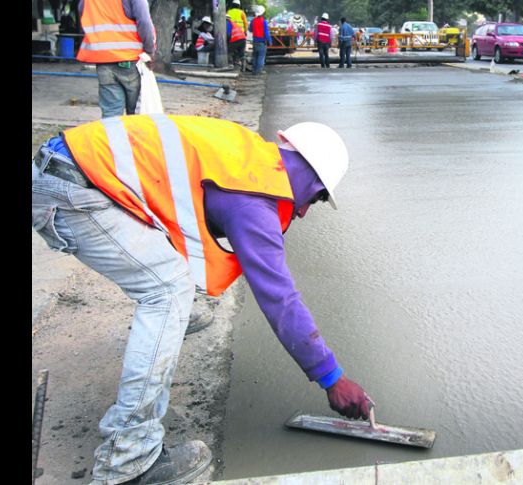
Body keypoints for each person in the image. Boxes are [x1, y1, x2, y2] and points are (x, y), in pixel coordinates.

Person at [31, 114, 372, 485]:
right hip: (71, 192)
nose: (304, 210)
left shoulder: (244, 154)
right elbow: (280, 299)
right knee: (166, 292)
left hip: (72, 169)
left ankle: (169, 322)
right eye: (318, 196)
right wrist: (331, 377)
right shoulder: (253, 200)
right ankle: (126, 458)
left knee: (169, 283)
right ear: (310, 175)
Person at [76, 0, 156, 118]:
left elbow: (83, 13)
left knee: (111, 114)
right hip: (132, 60)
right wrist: (149, 51)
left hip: (103, 61)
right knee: (137, 114)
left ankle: (113, 136)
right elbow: (144, 22)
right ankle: (132, 135)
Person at [249, 5, 269, 75]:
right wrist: (270, 41)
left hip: (255, 42)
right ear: (263, 13)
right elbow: (266, 33)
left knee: (255, 57)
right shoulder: (264, 21)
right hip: (262, 43)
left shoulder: (253, 21)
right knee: (261, 57)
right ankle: (258, 71)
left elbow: (250, 29)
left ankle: (254, 71)